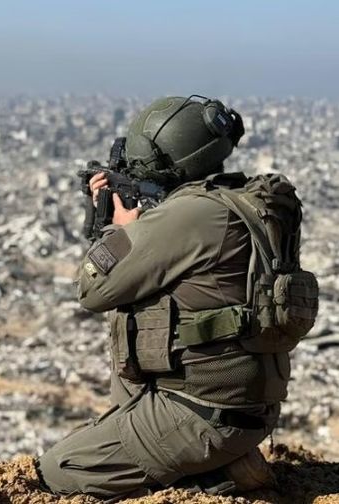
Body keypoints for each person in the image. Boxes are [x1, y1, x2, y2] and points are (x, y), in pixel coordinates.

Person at [37, 95, 317, 499]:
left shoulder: (188, 216)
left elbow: (93, 289)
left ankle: (212, 474)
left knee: (59, 470)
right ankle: (213, 461)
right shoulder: (242, 203)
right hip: (246, 408)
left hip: (201, 415)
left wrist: (118, 230)